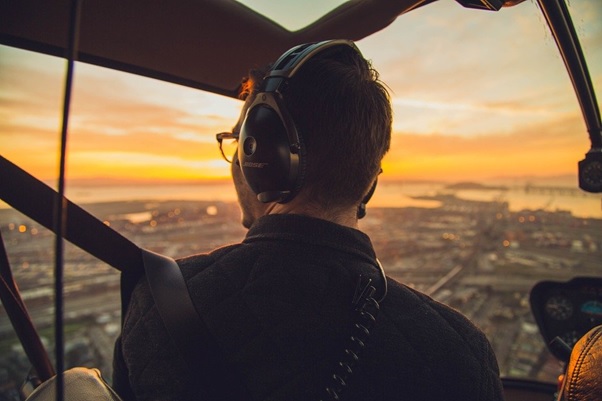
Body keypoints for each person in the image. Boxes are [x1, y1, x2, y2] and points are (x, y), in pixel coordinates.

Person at [112, 40, 504, 401]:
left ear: (259, 154)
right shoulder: (462, 353)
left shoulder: (157, 305)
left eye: (238, 143)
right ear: (370, 181)